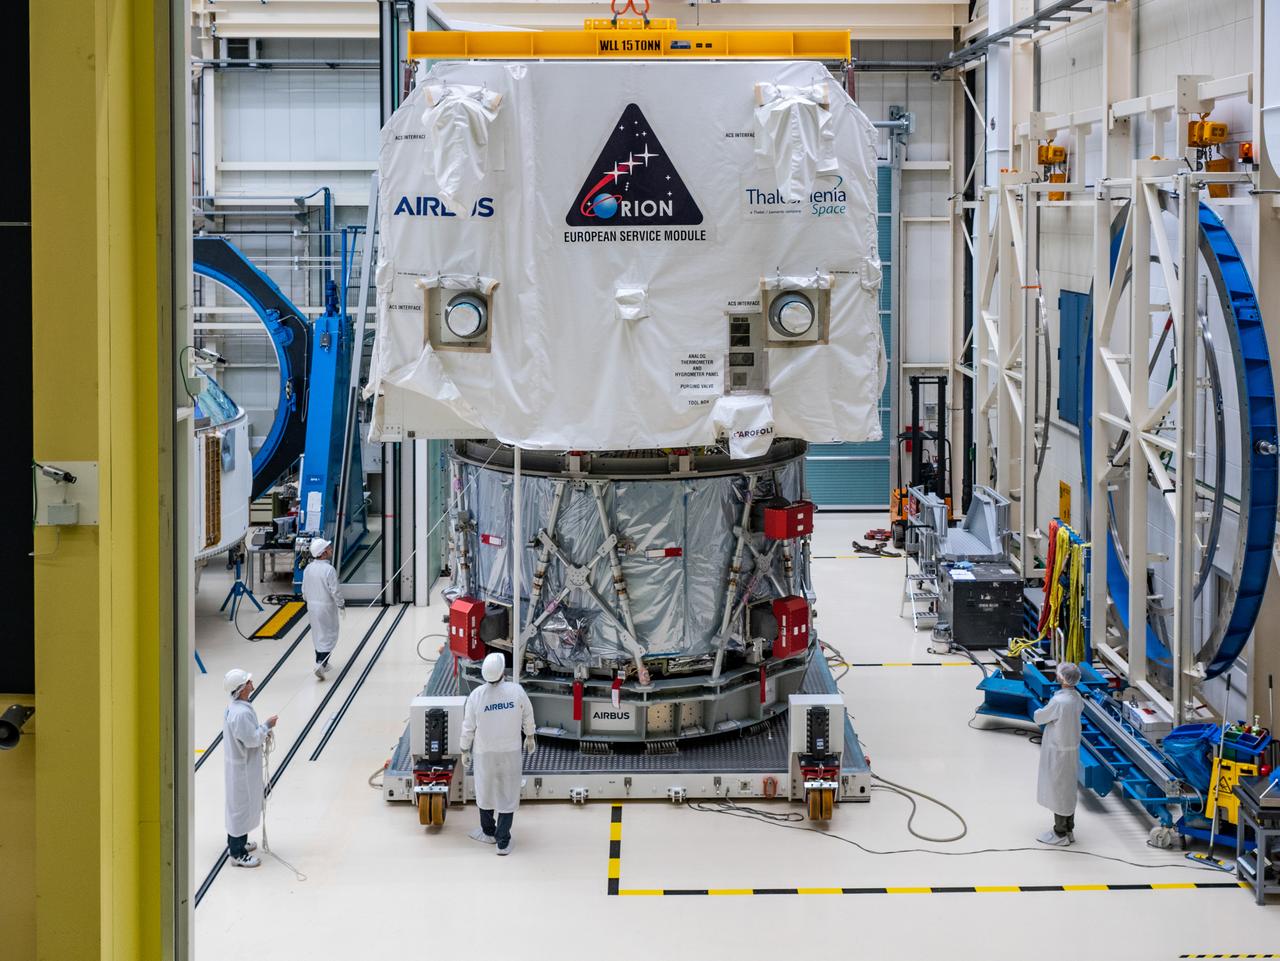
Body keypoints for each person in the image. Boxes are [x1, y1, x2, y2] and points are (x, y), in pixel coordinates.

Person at [459, 652, 536, 856]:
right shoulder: (516, 691)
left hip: (485, 753)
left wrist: (464, 749)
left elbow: (468, 727)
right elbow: (528, 715)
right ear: (503, 672)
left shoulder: (476, 695)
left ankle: (488, 833)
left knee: (484, 792)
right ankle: (503, 842)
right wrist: (530, 736)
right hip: (510, 752)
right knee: (507, 794)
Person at [222, 668, 278, 868]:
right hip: (242, 769)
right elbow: (252, 739)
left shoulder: (237, 708)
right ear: (242, 688)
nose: (252, 683)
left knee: (241, 807)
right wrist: (266, 726)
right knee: (240, 809)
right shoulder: (240, 713)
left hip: (241, 766)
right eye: (248, 681)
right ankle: (237, 853)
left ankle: (240, 842)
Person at [1033, 660, 1084, 845]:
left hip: (1058, 751)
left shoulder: (1059, 701)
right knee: (1068, 788)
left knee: (1058, 790)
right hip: (1071, 749)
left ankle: (1060, 833)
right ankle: (1069, 828)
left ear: (1063, 678)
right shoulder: (1076, 697)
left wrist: (1040, 708)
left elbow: (1040, 716)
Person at [301, 537, 344, 680]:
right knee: (329, 635)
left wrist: (308, 600)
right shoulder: (329, 570)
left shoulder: (308, 568)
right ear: (323, 553)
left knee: (318, 634)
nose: (331, 549)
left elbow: (304, 589)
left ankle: (322, 662)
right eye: (328, 548)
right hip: (326, 607)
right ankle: (320, 664)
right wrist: (341, 604)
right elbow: (335, 591)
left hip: (312, 606)